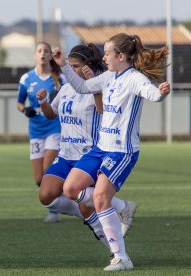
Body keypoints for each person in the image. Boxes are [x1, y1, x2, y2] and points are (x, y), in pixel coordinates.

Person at [53, 34, 170, 271]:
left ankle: (121, 258)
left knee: (99, 199)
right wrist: (64, 65)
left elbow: (153, 95)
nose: (103, 57)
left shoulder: (135, 79)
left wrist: (162, 92)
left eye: (107, 53)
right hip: (101, 148)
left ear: (120, 56)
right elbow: (83, 87)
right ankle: (122, 207)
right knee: (70, 189)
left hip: (121, 151)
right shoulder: (108, 76)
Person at [36, 43, 137, 259]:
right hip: (65, 156)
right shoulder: (65, 89)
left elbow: (102, 109)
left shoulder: (99, 86)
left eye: (76, 66)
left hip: (88, 156)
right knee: (46, 195)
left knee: (87, 208)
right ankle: (120, 207)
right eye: (69, 65)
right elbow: (50, 115)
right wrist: (43, 100)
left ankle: (116, 252)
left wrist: (94, 86)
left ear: (88, 66)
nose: (71, 70)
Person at [17, 42, 67, 223]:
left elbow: (68, 99)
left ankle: (54, 212)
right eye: (40, 51)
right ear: (35, 55)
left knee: (48, 170)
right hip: (36, 130)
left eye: (46, 51)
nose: (43, 54)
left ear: (50, 55)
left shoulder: (60, 78)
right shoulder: (26, 78)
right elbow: (19, 102)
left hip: (54, 127)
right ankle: (63, 196)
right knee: (39, 179)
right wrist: (24, 110)